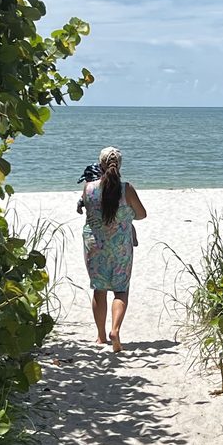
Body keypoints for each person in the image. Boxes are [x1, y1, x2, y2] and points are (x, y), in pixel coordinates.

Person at [79, 146, 146, 352]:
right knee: (120, 290)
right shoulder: (127, 189)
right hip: (120, 246)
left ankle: (101, 336)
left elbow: (89, 211)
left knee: (99, 289)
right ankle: (115, 330)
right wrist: (126, 217)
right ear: (120, 165)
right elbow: (142, 214)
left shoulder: (88, 188)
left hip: (95, 245)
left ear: (100, 165)